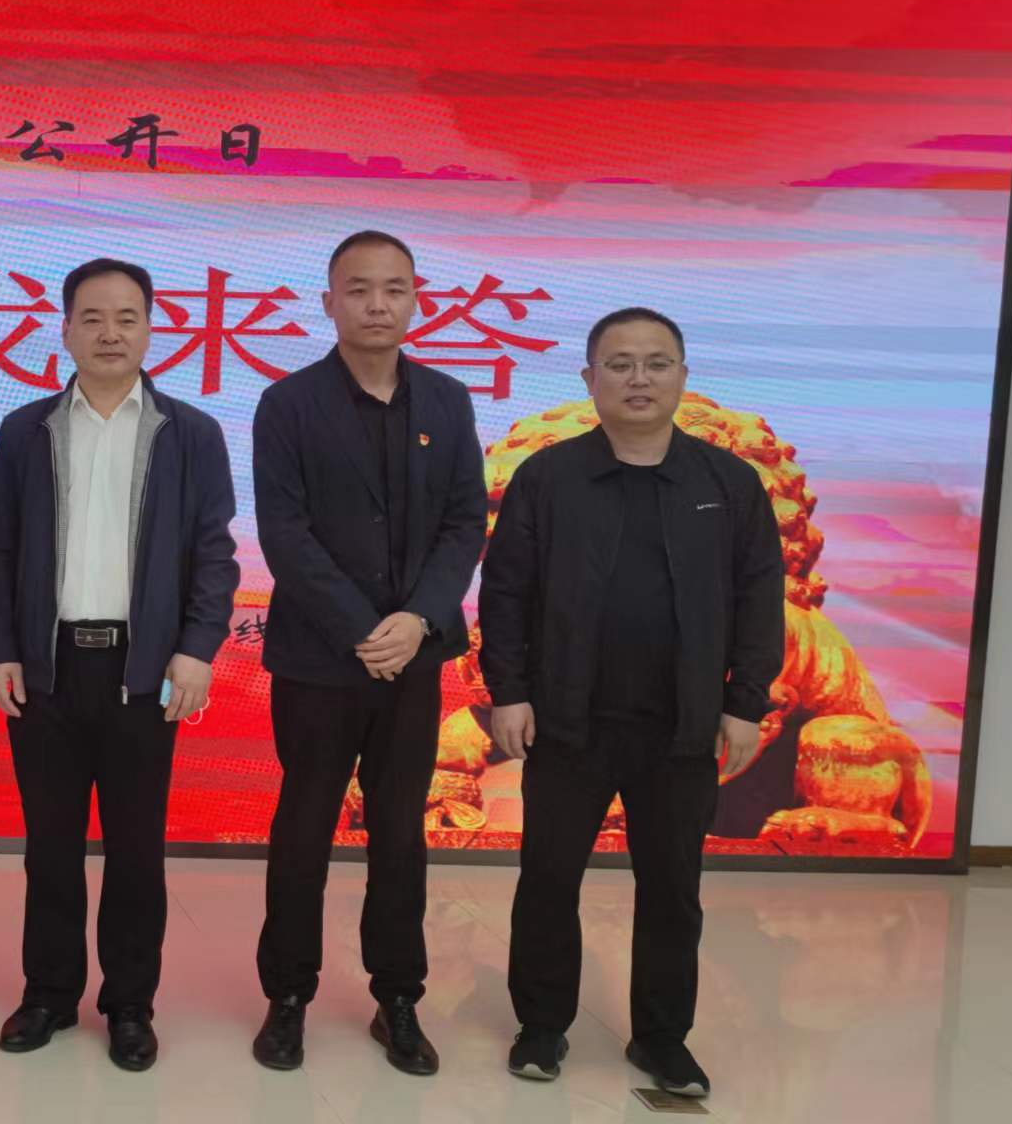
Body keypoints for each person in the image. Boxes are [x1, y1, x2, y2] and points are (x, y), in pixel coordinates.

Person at [480, 307, 784, 1100]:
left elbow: (760, 597)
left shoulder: (729, 483)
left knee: (672, 888)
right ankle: (541, 1025)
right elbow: (506, 593)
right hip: (566, 720)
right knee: (549, 879)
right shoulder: (548, 478)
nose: (638, 379)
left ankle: (662, 1038)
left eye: (656, 363)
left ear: (683, 376)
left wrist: (745, 702)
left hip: (683, 728)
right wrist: (508, 692)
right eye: (619, 364)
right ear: (590, 380)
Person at [0, 257, 238, 1073]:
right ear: (64, 330)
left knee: (135, 849)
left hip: (144, 671)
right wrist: (3, 648)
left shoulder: (190, 433)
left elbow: (214, 553)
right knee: (49, 846)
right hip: (48, 668)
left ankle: (129, 1004)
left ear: (152, 328)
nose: (110, 333)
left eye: (127, 317)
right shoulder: (25, 430)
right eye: (92, 318)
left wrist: (196, 648)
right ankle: (49, 993)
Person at [247, 231, 487, 1077]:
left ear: (416, 299)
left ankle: (398, 999)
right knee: (303, 829)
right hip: (319, 660)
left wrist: (417, 621)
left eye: (393, 289)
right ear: (330, 303)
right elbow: (285, 533)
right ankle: (287, 997)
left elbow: (465, 521)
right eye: (358, 290)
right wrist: (363, 628)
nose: (376, 305)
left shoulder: (447, 402)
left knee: (399, 832)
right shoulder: (288, 404)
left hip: (413, 661)